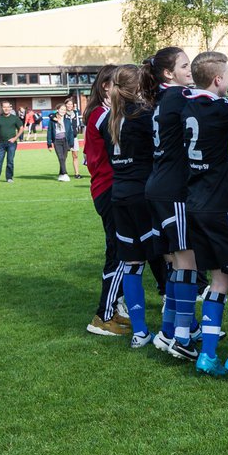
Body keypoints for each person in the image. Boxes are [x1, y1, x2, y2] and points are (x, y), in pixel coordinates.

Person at [180, 51, 228, 379]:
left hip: (196, 204)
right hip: (223, 206)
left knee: (217, 281)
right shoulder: (221, 108)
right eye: (227, 75)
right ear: (217, 80)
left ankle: (208, 356)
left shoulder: (188, 106)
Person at [140, 47, 202, 360]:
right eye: (185, 65)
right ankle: (182, 337)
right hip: (173, 188)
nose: (190, 69)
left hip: (160, 186)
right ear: (169, 73)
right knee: (187, 262)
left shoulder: (164, 99)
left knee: (178, 262)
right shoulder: (181, 97)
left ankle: (170, 331)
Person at [100, 65, 160, 348]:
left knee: (132, 264)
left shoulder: (109, 119)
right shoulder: (144, 116)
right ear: (138, 87)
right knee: (166, 260)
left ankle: (139, 331)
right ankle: (182, 328)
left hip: (119, 196)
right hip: (142, 195)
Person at [83, 65, 132, 337]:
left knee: (119, 252)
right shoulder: (102, 115)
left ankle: (113, 309)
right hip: (109, 190)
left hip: (107, 190)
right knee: (118, 254)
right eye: (120, 84)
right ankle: (103, 315)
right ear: (106, 87)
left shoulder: (103, 113)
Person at [0, 101, 24, 184]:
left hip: (11, 144)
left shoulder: (14, 118)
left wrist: (15, 138)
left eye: (8, 107)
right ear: (2, 108)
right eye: (4, 107)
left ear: (10, 108)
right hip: (1, 143)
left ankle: (9, 178)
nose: (6, 109)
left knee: (10, 161)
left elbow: (21, 128)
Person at [47, 104, 73, 181]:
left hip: (65, 140)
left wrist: (71, 144)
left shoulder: (67, 120)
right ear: (57, 110)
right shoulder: (52, 120)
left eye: (64, 110)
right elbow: (49, 132)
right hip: (57, 141)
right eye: (61, 109)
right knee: (60, 157)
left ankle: (61, 174)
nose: (63, 111)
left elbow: (70, 132)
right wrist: (49, 144)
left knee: (64, 158)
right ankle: (65, 173)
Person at [64, 99, 84, 179]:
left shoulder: (75, 113)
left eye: (71, 104)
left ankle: (77, 173)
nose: (69, 106)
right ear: (65, 105)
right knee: (64, 156)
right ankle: (63, 173)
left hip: (74, 137)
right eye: (68, 104)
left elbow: (78, 124)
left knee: (75, 155)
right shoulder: (62, 113)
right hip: (65, 138)